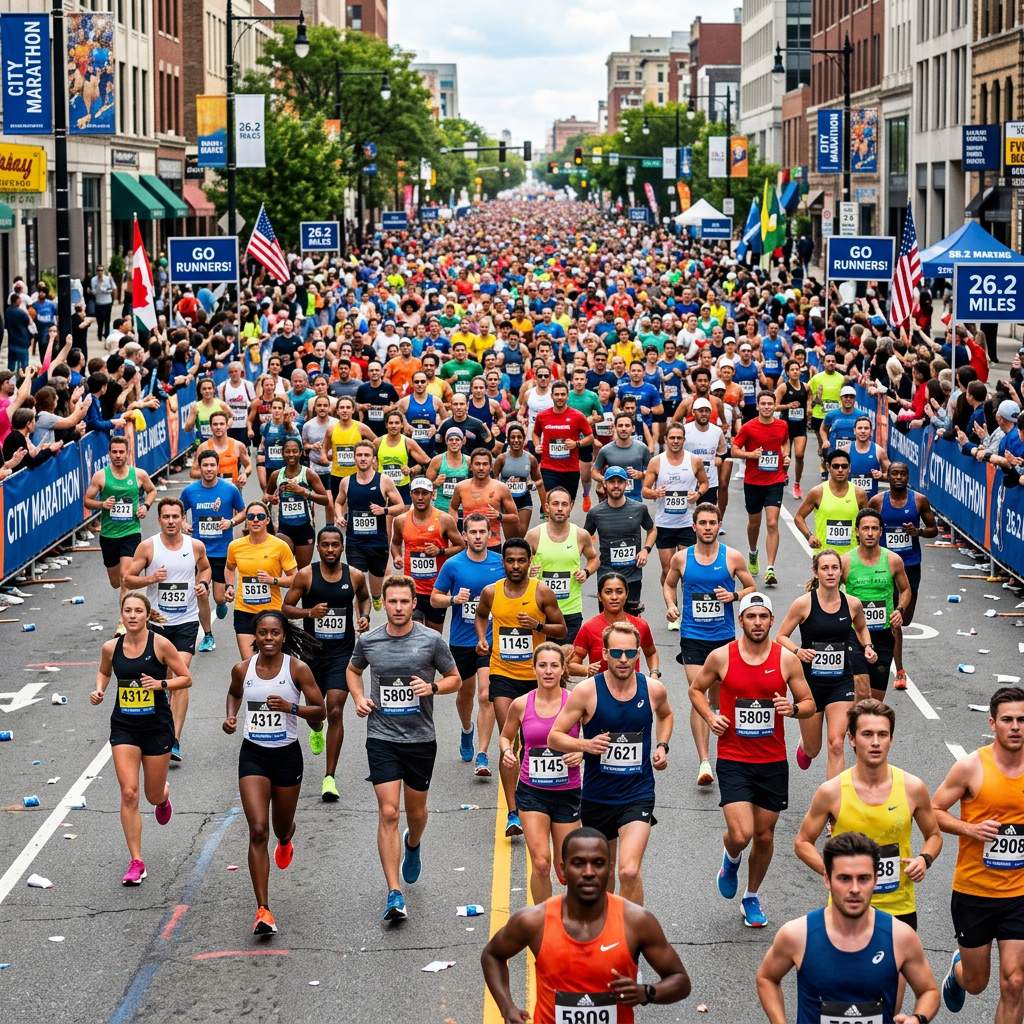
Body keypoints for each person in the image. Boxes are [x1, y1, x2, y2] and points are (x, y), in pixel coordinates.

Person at [795, 699, 943, 1008]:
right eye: (867, 734)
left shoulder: (912, 788)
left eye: (882, 734)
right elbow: (803, 842)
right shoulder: (832, 791)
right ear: (851, 739)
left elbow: (934, 836)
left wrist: (924, 859)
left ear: (891, 739)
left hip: (898, 909)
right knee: (845, 1000)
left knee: (888, 1006)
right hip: (845, 912)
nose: (875, 742)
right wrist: (833, 873)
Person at [688, 593, 815, 927]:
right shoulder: (721, 656)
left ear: (772, 621)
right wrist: (711, 716)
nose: (757, 622)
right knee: (741, 833)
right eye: (750, 616)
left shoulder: (786, 660)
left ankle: (751, 896)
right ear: (741, 620)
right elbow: (695, 690)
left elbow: (809, 703)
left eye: (762, 616)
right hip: (734, 758)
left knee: (765, 836)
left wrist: (793, 709)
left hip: (772, 760)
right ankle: (731, 858)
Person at [481, 828, 692, 1024]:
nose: (589, 872)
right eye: (578, 863)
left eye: (598, 863)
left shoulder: (637, 922)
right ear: (563, 869)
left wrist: (647, 992)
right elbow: (492, 955)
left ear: (610, 869)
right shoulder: (534, 921)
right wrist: (507, 1007)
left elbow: (680, 980)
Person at [346, 574, 461, 921]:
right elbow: (353, 670)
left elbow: (455, 678)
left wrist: (433, 688)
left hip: (420, 738)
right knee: (389, 813)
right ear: (384, 603)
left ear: (413, 604)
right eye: (392, 601)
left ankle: (413, 843)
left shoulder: (431, 640)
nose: (398, 607)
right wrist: (358, 697)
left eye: (404, 601)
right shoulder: (369, 641)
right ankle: (394, 892)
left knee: (416, 813)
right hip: (381, 736)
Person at [756, 831, 940, 1024]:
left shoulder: (900, 937)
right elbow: (767, 978)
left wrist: (917, 1019)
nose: (854, 889)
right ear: (827, 879)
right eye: (844, 878)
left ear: (875, 880)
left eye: (863, 878)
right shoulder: (797, 935)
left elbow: (929, 991)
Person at [548, 621, 673, 904]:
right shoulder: (587, 691)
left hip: (638, 793)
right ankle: (605, 925)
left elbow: (666, 715)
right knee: (604, 874)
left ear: (638, 654)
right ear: (604, 654)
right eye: (616, 653)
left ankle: (631, 929)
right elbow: (554, 736)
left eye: (630, 653)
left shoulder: (653, 689)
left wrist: (662, 745)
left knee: (628, 870)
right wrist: (585, 745)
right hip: (597, 797)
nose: (623, 659)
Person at [222, 610, 325, 935]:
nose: (269, 638)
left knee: (280, 827)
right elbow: (235, 693)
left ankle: (286, 837)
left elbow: (320, 711)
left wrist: (291, 707)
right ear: (255, 636)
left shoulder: (297, 669)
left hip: (286, 757)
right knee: (257, 830)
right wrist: (231, 716)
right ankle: (263, 910)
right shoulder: (242, 669)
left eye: (275, 633)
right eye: (263, 633)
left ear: (284, 636)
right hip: (253, 755)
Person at [932, 686, 1024, 1020]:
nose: (1016, 727)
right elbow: (933, 811)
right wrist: (970, 829)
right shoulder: (971, 767)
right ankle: (958, 973)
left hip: (1019, 893)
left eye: (1022, 720)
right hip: (974, 892)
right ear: (992, 724)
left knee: (1015, 983)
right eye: (1008, 720)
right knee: (976, 983)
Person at [89, 593, 193, 885]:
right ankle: (136, 861)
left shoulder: (160, 644)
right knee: (129, 793)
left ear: (147, 615)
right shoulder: (111, 647)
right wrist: (99, 690)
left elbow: (186, 678)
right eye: (128, 611)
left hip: (157, 727)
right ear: (121, 615)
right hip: (124, 727)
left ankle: (163, 797)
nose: (132, 615)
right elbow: (104, 672)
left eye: (138, 611)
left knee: (152, 795)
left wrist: (161, 684)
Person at [475, 538, 567, 837]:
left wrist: (537, 626)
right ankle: (513, 812)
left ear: (529, 561)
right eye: (510, 560)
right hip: (502, 674)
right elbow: (480, 615)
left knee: (532, 743)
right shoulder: (491, 592)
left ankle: (535, 798)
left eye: (521, 560)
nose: (516, 566)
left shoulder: (541, 592)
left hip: (536, 678)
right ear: (503, 562)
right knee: (509, 742)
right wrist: (482, 638)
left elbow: (562, 629)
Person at [663, 502, 755, 787]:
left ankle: (725, 747)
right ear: (694, 526)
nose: (707, 527)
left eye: (712, 523)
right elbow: (669, 584)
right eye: (702, 523)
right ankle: (704, 761)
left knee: (716, 702)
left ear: (718, 526)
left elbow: (752, 587)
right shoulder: (681, 558)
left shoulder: (733, 557)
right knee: (697, 693)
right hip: (692, 637)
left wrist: (734, 596)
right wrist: (671, 605)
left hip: (723, 639)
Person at [282, 525, 371, 802]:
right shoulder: (306, 575)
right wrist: (309, 612)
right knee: (316, 713)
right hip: (311, 655)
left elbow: (364, 599)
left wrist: (365, 616)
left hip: (341, 655)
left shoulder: (354, 575)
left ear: (342, 547)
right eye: (325, 545)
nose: (330, 549)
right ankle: (317, 730)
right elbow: (286, 608)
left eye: (335, 544)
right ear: (318, 548)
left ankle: (329, 777)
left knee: (334, 709)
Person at [123, 498, 213, 763]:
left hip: (186, 622)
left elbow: (205, 568)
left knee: (180, 675)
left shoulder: (195, 546)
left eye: (176, 516)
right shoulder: (148, 547)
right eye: (166, 517)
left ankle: (174, 739)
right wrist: (151, 578)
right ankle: (160, 723)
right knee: (166, 677)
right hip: (157, 624)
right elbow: (127, 578)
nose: (171, 521)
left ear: (183, 519)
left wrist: (204, 584)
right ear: (159, 520)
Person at [775, 547, 875, 779]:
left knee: (837, 743)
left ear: (841, 572)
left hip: (841, 681)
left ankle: (835, 799)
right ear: (816, 572)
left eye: (834, 568)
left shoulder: (852, 604)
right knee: (814, 748)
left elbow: (861, 628)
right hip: (809, 684)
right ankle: (805, 745)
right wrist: (798, 651)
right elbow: (781, 636)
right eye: (825, 568)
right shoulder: (803, 604)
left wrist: (868, 646)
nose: (830, 573)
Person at [498, 643, 583, 902]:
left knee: (567, 867)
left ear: (563, 669)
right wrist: (507, 751)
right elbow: (506, 736)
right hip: (532, 792)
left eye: (554, 665)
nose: (548, 671)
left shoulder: (576, 702)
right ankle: (544, 919)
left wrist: (581, 753)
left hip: (568, 792)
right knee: (541, 863)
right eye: (543, 665)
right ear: (534, 668)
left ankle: (572, 912)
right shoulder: (521, 704)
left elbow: (593, 739)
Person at [431, 512, 506, 776]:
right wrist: (453, 600)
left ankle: (482, 755)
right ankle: (466, 730)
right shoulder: (453, 565)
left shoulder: (500, 563)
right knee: (465, 694)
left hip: (491, 639)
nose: (477, 536)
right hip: (462, 640)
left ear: (490, 534)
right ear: (464, 535)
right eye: (472, 532)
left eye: (482, 532)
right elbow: (434, 598)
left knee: (486, 695)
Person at [870, 461, 938, 690]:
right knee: (895, 619)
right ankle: (899, 670)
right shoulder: (877, 501)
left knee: (905, 618)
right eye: (894, 473)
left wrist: (918, 532)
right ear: (888, 476)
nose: (898, 477)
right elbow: (865, 526)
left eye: (903, 474)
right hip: (884, 565)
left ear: (908, 477)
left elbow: (934, 529)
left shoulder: (919, 500)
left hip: (910, 564)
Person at [842, 508, 911, 702]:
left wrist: (899, 610)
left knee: (875, 701)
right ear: (857, 531)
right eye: (865, 528)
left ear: (881, 531)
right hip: (854, 634)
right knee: (862, 692)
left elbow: (906, 590)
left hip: (883, 634)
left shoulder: (893, 560)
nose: (870, 533)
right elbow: (831, 594)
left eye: (874, 528)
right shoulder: (845, 561)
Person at [83, 435, 158, 607]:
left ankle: (124, 619)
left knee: (125, 578)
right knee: (116, 582)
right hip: (109, 534)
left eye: (121, 452)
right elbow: (87, 501)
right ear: (109, 453)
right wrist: (102, 504)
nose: (118, 455)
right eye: (114, 452)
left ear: (127, 453)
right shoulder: (101, 476)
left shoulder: (138, 474)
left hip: (131, 532)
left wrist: (145, 506)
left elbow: (152, 491)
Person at [334, 439, 405, 611]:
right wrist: (339, 516)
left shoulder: (384, 481)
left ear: (374, 459)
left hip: (377, 542)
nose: (363, 458)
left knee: (376, 586)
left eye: (367, 455)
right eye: (359, 455)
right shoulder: (346, 482)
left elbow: (400, 506)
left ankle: (376, 597)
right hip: (354, 542)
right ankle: (363, 620)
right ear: (354, 458)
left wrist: (384, 510)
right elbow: (338, 502)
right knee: (357, 585)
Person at [180, 449, 247, 626]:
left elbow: (243, 512)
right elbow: (179, 511)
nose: (209, 469)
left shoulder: (230, 489)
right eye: (205, 465)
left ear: (218, 467)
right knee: (201, 593)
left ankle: (220, 603)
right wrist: (183, 524)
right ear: (199, 467)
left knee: (219, 597)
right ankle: (207, 633)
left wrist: (231, 522)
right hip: (198, 551)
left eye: (212, 465)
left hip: (221, 551)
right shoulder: (190, 491)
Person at [224, 501, 299, 657]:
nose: (256, 520)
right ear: (246, 520)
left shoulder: (280, 546)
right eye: (251, 517)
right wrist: (229, 586)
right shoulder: (235, 546)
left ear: (267, 520)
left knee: (270, 660)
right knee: (249, 662)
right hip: (244, 611)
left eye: (260, 516)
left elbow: (295, 578)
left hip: (271, 612)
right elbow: (230, 568)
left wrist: (274, 580)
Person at [525, 486, 600, 644]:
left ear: (571, 507)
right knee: (541, 657)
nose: (560, 508)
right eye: (555, 504)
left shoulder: (581, 535)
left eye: (564, 504)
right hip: (540, 609)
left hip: (570, 610)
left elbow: (594, 559)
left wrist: (586, 572)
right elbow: (519, 566)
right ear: (547, 507)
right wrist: (529, 572)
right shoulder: (534, 535)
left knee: (567, 656)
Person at [390, 476, 464, 632]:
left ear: (432, 494)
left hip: (437, 589)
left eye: (424, 493)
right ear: (410, 494)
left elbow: (461, 546)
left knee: (433, 635)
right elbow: (395, 543)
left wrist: (441, 551)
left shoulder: (444, 519)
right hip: (412, 587)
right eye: (416, 493)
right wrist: (397, 556)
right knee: (416, 633)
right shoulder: (401, 520)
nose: (420, 497)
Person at [731, 390, 790, 586]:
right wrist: (751, 455)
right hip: (753, 482)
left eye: (770, 404)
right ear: (757, 406)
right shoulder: (748, 427)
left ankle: (770, 568)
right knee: (754, 523)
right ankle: (753, 551)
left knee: (772, 523)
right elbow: (734, 450)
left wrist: (786, 455)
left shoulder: (782, 425)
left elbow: (785, 441)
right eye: (763, 404)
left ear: (775, 406)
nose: (766, 407)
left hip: (775, 480)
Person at [642, 421, 708, 589]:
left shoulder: (694, 460)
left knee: (687, 571)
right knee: (667, 570)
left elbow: (704, 483)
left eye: (679, 438)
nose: (676, 441)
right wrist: (655, 493)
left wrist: (698, 494)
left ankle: (687, 601)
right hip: (665, 524)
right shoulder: (656, 461)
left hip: (687, 523)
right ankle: (671, 601)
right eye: (672, 438)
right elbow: (645, 491)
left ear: (684, 440)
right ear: (665, 439)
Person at [583, 466, 657, 616]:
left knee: (632, 620)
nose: (616, 485)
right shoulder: (595, 513)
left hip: (632, 575)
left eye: (620, 482)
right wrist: (591, 557)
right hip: (606, 574)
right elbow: (583, 538)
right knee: (608, 621)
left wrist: (645, 550)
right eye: (612, 482)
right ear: (605, 484)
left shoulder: (639, 509)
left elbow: (652, 530)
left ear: (626, 484)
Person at [570, 572, 660, 678]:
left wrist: (654, 673)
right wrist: (587, 669)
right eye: (608, 592)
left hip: (632, 686)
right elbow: (571, 665)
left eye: (619, 592)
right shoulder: (589, 628)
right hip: (600, 687)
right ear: (599, 596)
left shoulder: (640, 625)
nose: (614, 597)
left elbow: (651, 653)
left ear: (626, 594)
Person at [264, 436, 330, 569]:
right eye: (287, 451)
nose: (291, 455)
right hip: (283, 528)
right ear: (282, 453)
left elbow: (325, 500)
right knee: (286, 569)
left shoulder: (309, 474)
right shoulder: (276, 475)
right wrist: (271, 499)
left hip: (304, 528)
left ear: (301, 453)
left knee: (303, 571)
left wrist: (303, 492)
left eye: (295, 451)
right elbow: (266, 496)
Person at [793, 447, 868, 555]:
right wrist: (809, 536)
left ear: (849, 468)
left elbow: (866, 522)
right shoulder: (817, 492)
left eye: (844, 466)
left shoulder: (859, 494)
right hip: (823, 556)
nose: (840, 470)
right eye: (836, 466)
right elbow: (799, 517)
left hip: (851, 556)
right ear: (828, 467)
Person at [531, 379, 593, 502]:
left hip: (571, 469)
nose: (559, 397)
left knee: (567, 504)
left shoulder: (578, 416)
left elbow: (590, 437)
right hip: (549, 468)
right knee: (552, 501)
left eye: (563, 394)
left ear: (567, 396)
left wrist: (577, 444)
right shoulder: (542, 416)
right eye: (557, 394)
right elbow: (535, 433)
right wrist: (537, 445)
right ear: (551, 396)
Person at [448, 447, 518, 551]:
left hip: (492, 543)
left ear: (491, 467)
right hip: (468, 543)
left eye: (485, 464)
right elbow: (452, 508)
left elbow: (515, 517)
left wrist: (499, 516)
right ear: (471, 466)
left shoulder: (501, 488)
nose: (481, 468)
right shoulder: (461, 487)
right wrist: (453, 530)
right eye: (477, 464)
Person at [494, 422, 545, 536]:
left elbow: (539, 481)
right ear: (508, 439)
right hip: (506, 502)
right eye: (513, 437)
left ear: (524, 439)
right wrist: (502, 485)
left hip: (524, 501)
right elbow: (493, 480)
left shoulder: (530, 459)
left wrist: (532, 485)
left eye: (519, 437)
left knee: (521, 536)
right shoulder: (501, 459)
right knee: (510, 538)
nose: (516, 440)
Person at [775, 359, 810, 498]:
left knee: (799, 455)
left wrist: (809, 409)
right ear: (787, 372)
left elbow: (809, 398)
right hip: (786, 427)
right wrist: (788, 406)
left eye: (797, 369)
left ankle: (797, 484)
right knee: (786, 456)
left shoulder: (806, 387)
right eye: (792, 370)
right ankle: (783, 474)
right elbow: (775, 406)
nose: (795, 372)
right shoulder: (783, 387)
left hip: (800, 426)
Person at [189, 411, 252, 488]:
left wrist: (245, 474)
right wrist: (211, 474)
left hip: (232, 490)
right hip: (210, 489)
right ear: (210, 427)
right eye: (215, 424)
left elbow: (249, 465)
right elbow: (193, 472)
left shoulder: (238, 446)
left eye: (221, 424)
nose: (218, 427)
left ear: (227, 426)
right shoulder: (204, 447)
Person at [848, 415, 891, 499]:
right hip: (849, 501)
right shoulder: (845, 450)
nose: (863, 431)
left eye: (866, 428)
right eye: (860, 428)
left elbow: (892, 474)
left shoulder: (879, 451)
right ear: (854, 431)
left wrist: (881, 475)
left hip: (871, 501)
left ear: (871, 431)